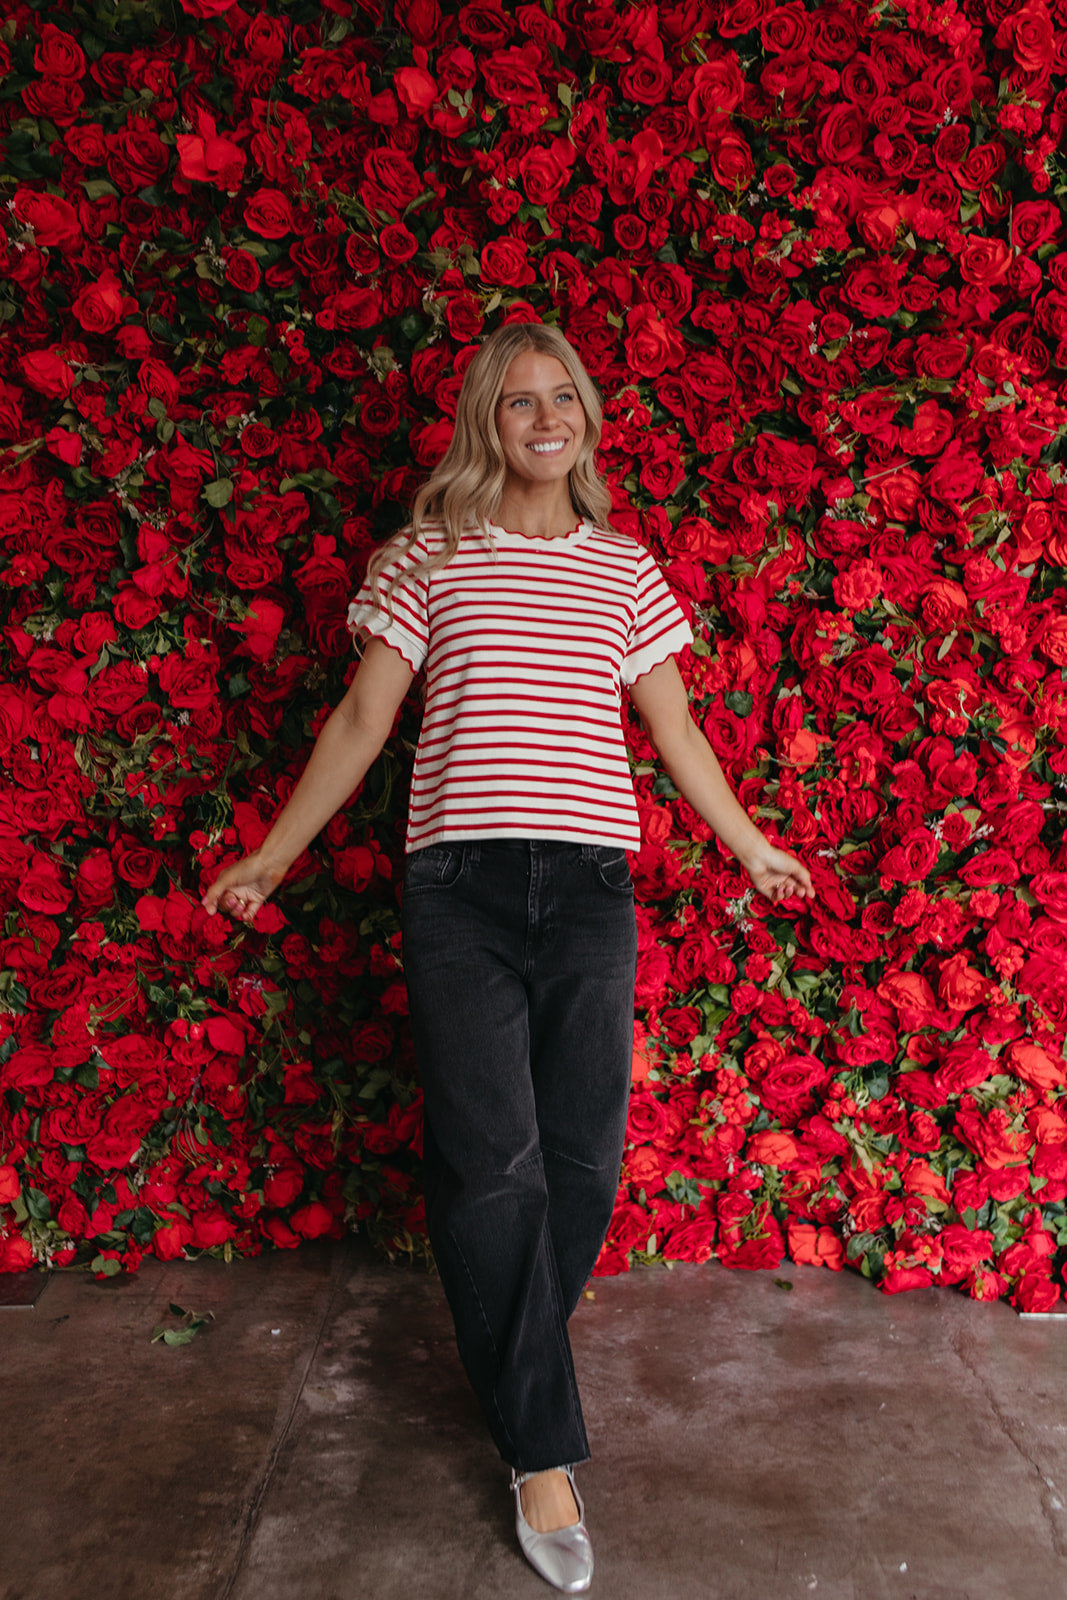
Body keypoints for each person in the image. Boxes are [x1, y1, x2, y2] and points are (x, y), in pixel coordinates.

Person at [203, 322, 814, 1593]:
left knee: (580, 1158)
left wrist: (750, 845)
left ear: (587, 418)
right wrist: (269, 857)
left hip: (590, 888)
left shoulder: (624, 570)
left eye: (565, 397)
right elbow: (366, 717)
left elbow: (675, 729)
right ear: (486, 421)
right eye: (519, 400)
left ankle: (512, 1340)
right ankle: (540, 1452)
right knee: (493, 1164)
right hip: (459, 889)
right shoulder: (427, 557)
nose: (548, 417)